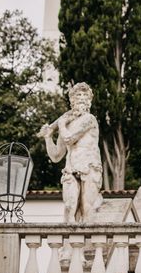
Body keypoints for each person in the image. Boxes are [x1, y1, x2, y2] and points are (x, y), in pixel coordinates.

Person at [39, 82, 104, 224]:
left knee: (88, 210)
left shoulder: (89, 119)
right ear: (72, 101)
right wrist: (48, 137)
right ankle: (69, 245)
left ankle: (88, 245)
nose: (81, 98)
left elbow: (69, 139)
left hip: (90, 168)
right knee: (69, 208)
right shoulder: (66, 125)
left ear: (89, 101)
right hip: (71, 168)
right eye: (78, 95)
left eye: (85, 95)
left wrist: (61, 124)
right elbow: (56, 156)